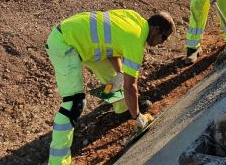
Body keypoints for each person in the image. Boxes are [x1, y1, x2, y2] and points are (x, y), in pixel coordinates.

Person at [46, 9, 175, 165]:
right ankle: (57, 161)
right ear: (156, 30)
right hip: (65, 43)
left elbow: (111, 47)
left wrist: (120, 72)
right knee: (74, 103)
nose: (162, 43)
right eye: (164, 38)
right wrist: (138, 117)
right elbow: (130, 86)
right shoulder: (136, 41)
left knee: (114, 79)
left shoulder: (134, 18)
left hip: (83, 41)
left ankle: (123, 108)